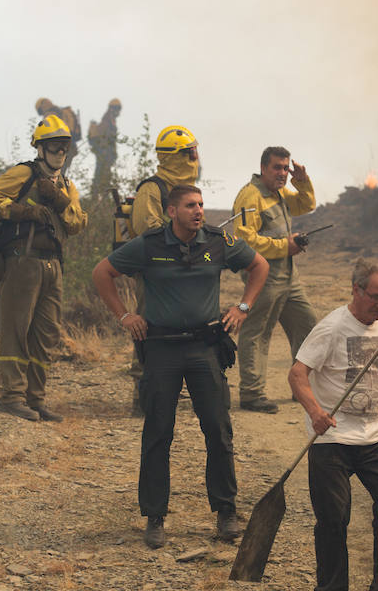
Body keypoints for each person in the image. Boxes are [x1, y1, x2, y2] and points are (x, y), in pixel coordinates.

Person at [92, 184, 269, 549]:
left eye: (201, 204)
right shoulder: (150, 244)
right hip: (161, 349)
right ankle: (154, 517)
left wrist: (243, 307)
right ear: (172, 211)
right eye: (190, 206)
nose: (199, 211)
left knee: (218, 430)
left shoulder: (218, 241)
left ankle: (225, 512)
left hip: (205, 347)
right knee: (158, 431)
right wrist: (124, 315)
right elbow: (102, 273)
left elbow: (259, 266)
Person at [289, 258, 378, 591]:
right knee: (333, 519)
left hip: (376, 437)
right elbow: (297, 374)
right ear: (356, 289)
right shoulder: (331, 328)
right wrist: (316, 412)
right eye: (376, 296)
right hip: (331, 438)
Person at [0, 115, 88, 422]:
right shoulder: (24, 173)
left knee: (47, 333)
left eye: (64, 146)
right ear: (40, 147)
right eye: (53, 146)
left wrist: (59, 199)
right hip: (22, 261)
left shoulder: (66, 185)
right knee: (17, 328)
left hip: (53, 265)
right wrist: (21, 211)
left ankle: (35, 398)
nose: (59, 152)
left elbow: (78, 223)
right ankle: (12, 396)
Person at [232, 146, 318, 413]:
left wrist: (302, 181)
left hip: (289, 277)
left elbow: (306, 205)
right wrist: (284, 246)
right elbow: (245, 240)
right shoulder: (251, 196)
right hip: (265, 277)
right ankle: (251, 393)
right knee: (257, 332)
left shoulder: (279, 192)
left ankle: (300, 387)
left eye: (285, 167)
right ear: (263, 169)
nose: (282, 173)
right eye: (277, 168)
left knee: (307, 325)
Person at [125, 125, 202, 415]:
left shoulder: (187, 191)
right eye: (189, 153)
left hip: (185, 274)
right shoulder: (152, 189)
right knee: (149, 332)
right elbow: (150, 232)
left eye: (195, 151)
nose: (195, 158)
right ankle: (142, 399)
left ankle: (171, 392)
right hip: (156, 278)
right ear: (175, 157)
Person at [35, 97, 82, 174]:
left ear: (42, 106)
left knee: (52, 172)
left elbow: (46, 134)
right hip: (69, 145)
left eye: (40, 110)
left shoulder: (50, 115)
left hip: (57, 147)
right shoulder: (61, 112)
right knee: (60, 172)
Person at [88, 98, 122, 195]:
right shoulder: (107, 120)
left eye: (118, 109)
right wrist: (107, 153)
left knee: (102, 175)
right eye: (116, 108)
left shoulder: (110, 120)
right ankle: (97, 196)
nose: (117, 111)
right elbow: (106, 139)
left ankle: (100, 195)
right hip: (104, 154)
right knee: (101, 176)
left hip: (105, 154)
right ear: (112, 108)